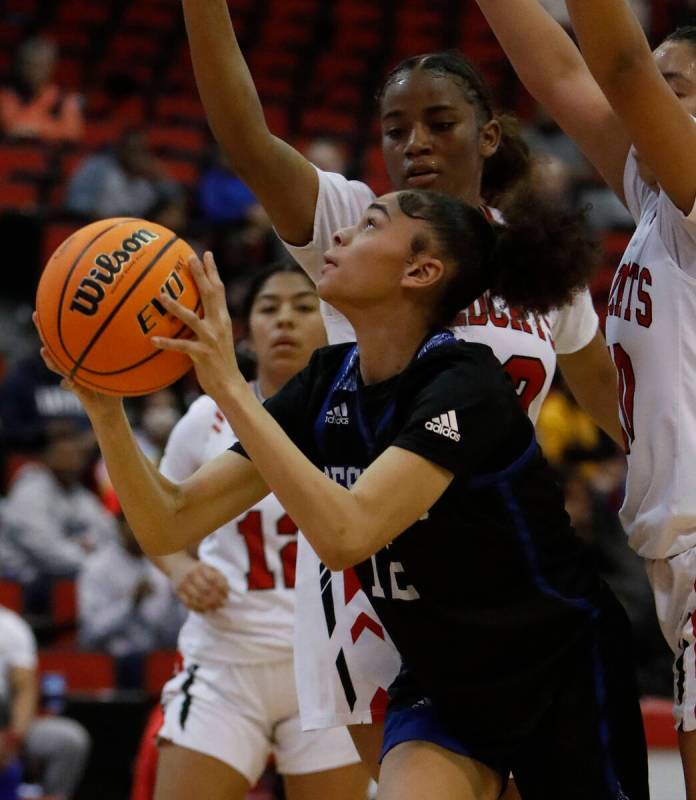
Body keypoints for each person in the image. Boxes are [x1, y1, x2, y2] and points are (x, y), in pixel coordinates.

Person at [36, 188, 650, 799]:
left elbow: (346, 534)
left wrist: (228, 385)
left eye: (368, 226)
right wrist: (105, 408)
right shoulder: (327, 382)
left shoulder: (466, 382)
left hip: (557, 665)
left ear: (420, 270)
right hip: (445, 679)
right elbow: (170, 523)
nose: (340, 236)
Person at [181, 0, 622, 779]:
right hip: (376, 571)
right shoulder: (359, 221)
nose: (413, 142)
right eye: (394, 128)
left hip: (501, 573)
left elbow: (616, 413)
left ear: (488, 135)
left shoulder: (536, 262)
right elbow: (247, 142)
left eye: (439, 122)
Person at [473, 1, 696, 794]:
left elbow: (620, 67)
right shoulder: (660, 203)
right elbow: (561, 72)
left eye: (678, 92)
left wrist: (640, 75)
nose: (649, 108)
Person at [149, 262, 369, 800]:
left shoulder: (361, 414)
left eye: (302, 305)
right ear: (245, 331)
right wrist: (181, 568)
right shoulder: (203, 418)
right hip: (226, 658)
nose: (285, 320)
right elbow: (157, 521)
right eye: (269, 309)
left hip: (330, 662)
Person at [0, 604, 90, 800]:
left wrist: (14, 736)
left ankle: (50, 796)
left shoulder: (9, 627)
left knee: (69, 740)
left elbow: (25, 688)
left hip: (9, 723)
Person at [64, 128, 180, 220]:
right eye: (132, 149)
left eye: (141, 150)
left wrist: (161, 176)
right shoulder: (98, 167)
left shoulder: (148, 179)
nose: (136, 156)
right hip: (96, 230)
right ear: (120, 149)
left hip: (133, 237)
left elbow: (175, 203)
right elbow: (76, 205)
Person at [0, 37, 83, 143]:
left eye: (42, 64)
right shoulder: (6, 93)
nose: (36, 69)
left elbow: (72, 134)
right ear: (20, 64)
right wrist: (51, 124)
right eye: (30, 63)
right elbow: (12, 127)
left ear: (52, 65)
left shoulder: (65, 97)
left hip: (49, 156)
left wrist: (33, 128)